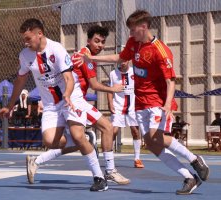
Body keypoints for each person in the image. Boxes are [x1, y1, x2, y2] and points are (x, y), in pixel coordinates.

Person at [73, 10, 209, 195]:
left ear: (143, 27)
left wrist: (168, 105)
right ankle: (189, 177)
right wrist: (91, 58)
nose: (130, 34)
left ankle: (194, 159)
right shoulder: (134, 43)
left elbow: (171, 81)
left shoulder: (161, 51)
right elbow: (119, 58)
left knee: (155, 136)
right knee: (151, 144)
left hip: (157, 101)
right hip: (140, 102)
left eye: (133, 30)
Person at [0, 18, 107, 191]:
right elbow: (20, 80)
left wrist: (68, 95)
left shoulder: (56, 49)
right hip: (50, 105)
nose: (25, 43)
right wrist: (10, 106)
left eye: (28, 39)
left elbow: (69, 78)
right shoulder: (25, 55)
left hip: (71, 98)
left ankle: (99, 178)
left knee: (78, 135)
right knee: (50, 141)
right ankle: (86, 140)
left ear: (39, 34)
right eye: (23, 40)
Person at [25, 25, 130, 186]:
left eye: (102, 42)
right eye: (96, 41)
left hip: (70, 99)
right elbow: (94, 85)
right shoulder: (85, 57)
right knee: (104, 129)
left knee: (79, 141)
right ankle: (109, 172)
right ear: (88, 40)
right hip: (74, 100)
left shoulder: (83, 55)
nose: (100, 45)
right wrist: (113, 89)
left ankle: (37, 161)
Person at [107, 61, 144, 168]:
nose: (122, 63)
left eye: (124, 61)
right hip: (118, 106)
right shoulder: (113, 74)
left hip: (132, 106)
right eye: (120, 61)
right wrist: (110, 103)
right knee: (113, 131)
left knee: (135, 131)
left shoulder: (135, 71)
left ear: (128, 61)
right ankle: (110, 158)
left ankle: (137, 158)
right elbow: (109, 90)